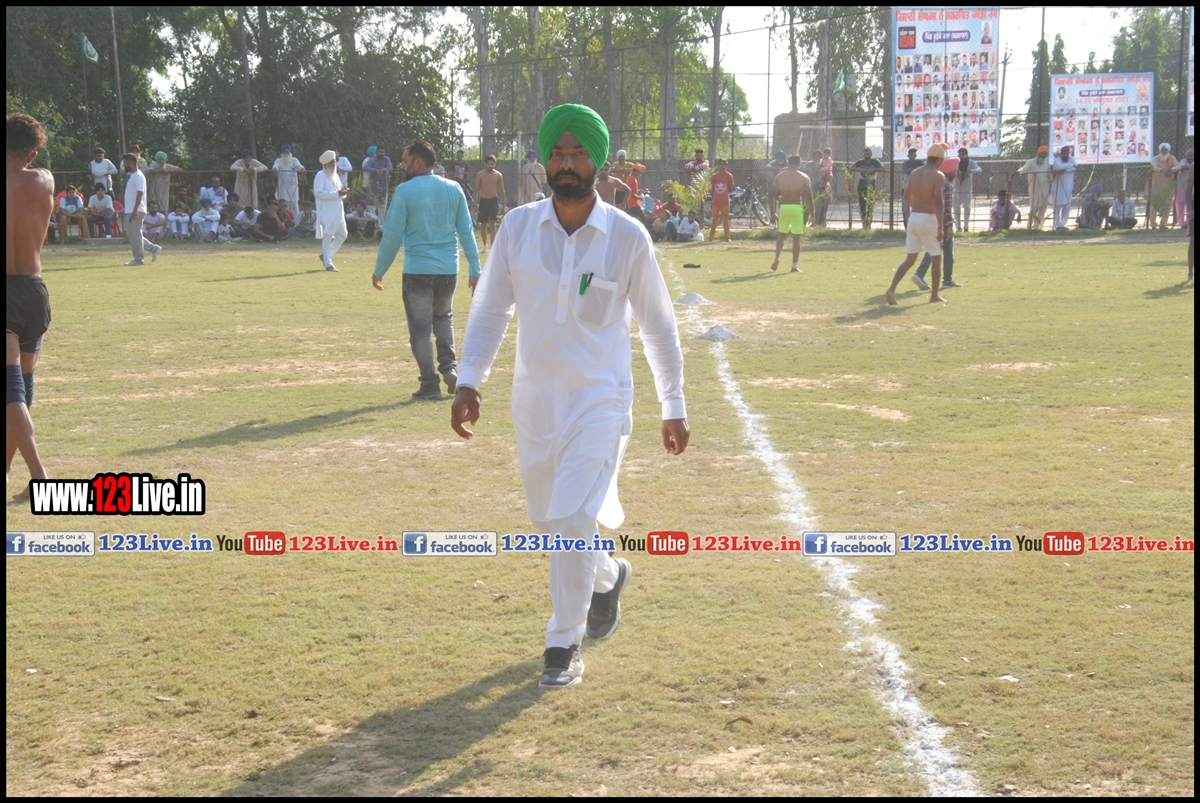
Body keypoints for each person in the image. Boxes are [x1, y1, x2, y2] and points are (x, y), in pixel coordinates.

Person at [451, 104, 688, 690]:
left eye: (578, 153)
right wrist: (469, 379)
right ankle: (607, 575)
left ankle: (563, 644)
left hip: (600, 401)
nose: (566, 163)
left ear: (597, 162)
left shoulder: (627, 238)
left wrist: (673, 403)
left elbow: (658, 326)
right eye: (557, 153)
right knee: (554, 523)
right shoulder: (517, 228)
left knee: (571, 518)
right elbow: (491, 308)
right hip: (535, 403)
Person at [373, 140, 482, 401]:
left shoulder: (405, 191)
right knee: (444, 318)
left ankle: (430, 384)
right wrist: (475, 268)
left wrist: (380, 269)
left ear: (418, 162)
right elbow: (466, 231)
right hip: (448, 269)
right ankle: (450, 368)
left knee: (420, 327)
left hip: (418, 270)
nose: (402, 166)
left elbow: (392, 235)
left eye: (405, 161)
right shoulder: (454, 188)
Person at [6, 112, 55, 501]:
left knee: (10, 391)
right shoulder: (44, 180)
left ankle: (40, 478)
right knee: (23, 386)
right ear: (32, 153)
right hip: (36, 290)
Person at [885, 142, 947, 305]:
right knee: (936, 258)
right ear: (940, 160)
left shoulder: (915, 173)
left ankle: (892, 289)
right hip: (928, 219)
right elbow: (938, 202)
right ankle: (934, 295)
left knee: (910, 259)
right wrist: (940, 226)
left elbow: (907, 196)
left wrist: (917, 209)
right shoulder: (938, 176)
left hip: (914, 218)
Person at [913, 154, 960, 290]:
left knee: (934, 247)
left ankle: (920, 273)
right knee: (947, 251)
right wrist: (949, 224)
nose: (956, 173)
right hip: (943, 221)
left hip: (930, 219)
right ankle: (947, 280)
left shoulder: (934, 182)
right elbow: (946, 206)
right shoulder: (948, 185)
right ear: (951, 171)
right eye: (955, 170)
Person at [767, 154, 815, 273]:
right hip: (796, 207)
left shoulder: (780, 176)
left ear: (788, 164)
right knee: (796, 238)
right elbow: (809, 198)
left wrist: (772, 213)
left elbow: (771, 195)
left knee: (781, 235)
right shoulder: (804, 177)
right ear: (800, 165)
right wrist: (812, 215)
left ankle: (777, 257)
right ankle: (794, 266)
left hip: (784, 207)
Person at [122, 153, 161, 265]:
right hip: (131, 209)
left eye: (125, 163)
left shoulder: (138, 176)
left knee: (135, 234)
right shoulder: (133, 176)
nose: (124, 165)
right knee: (133, 234)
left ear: (131, 163)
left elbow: (140, 193)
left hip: (136, 210)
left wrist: (135, 210)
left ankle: (139, 259)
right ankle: (153, 248)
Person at [314, 150, 349, 271]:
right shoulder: (320, 175)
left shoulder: (335, 176)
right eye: (332, 162)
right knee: (328, 235)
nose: (334, 164)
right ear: (326, 163)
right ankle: (328, 264)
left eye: (334, 162)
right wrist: (336, 194)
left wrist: (343, 192)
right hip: (327, 211)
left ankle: (326, 255)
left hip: (338, 211)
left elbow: (339, 193)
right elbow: (318, 193)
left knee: (343, 234)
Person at [473, 154, 505, 249]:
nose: (490, 166)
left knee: (493, 223)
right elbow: (476, 191)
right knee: (483, 224)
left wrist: (504, 206)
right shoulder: (480, 175)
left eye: (492, 164)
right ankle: (484, 245)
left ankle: (493, 247)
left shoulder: (498, 175)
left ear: (495, 164)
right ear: (485, 164)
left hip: (493, 200)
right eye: (488, 164)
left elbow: (502, 191)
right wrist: (475, 206)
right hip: (483, 201)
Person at [1018, 145, 1052, 229]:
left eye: (1044, 153)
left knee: (1043, 207)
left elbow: (1050, 176)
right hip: (1034, 188)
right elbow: (1024, 169)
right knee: (1033, 208)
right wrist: (1019, 171)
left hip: (1044, 188)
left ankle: (1038, 227)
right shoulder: (1031, 162)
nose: (1043, 155)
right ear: (1038, 153)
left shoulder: (1047, 164)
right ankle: (1029, 226)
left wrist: (1056, 175)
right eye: (1041, 153)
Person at [850, 147, 884, 228]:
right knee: (862, 205)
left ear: (871, 154)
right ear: (863, 154)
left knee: (870, 205)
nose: (867, 155)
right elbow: (851, 167)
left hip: (871, 186)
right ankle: (864, 222)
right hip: (861, 185)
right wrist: (860, 170)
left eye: (868, 154)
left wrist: (873, 170)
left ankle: (869, 223)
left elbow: (883, 169)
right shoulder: (860, 161)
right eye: (865, 154)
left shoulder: (875, 161)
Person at [1148, 142, 1179, 230]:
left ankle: (1163, 224)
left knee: (1167, 203)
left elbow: (1178, 166)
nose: (1164, 151)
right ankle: (1153, 224)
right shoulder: (1155, 158)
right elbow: (1153, 166)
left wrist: (1171, 170)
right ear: (1160, 150)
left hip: (1168, 185)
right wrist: (1161, 170)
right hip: (1156, 184)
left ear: (1168, 150)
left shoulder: (1171, 158)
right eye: (1162, 149)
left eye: (1165, 150)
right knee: (1154, 204)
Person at [952, 147, 982, 231]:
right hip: (956, 187)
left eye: (963, 154)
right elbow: (949, 170)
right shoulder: (956, 162)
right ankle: (958, 227)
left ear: (966, 155)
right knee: (956, 207)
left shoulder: (971, 162)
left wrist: (970, 171)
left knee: (966, 207)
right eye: (960, 155)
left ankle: (966, 227)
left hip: (966, 188)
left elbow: (979, 169)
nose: (961, 156)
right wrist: (956, 172)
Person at [272, 144, 305, 215]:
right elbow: (275, 167)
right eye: (285, 152)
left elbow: (299, 166)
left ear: (290, 153)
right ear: (282, 153)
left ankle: (296, 221)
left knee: (294, 208)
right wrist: (275, 170)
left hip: (293, 189)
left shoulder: (294, 160)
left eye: (288, 152)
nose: (286, 154)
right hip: (283, 189)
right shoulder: (278, 161)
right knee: (283, 207)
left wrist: (302, 169)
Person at [1050, 145, 1077, 230]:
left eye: (1066, 153)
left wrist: (1065, 169)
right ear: (1061, 154)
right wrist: (1069, 167)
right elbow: (1059, 167)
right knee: (1057, 206)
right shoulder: (1057, 161)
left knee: (1067, 206)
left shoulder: (1071, 159)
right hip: (1058, 187)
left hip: (1068, 187)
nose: (1065, 155)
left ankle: (1062, 224)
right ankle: (1056, 225)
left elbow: (1076, 166)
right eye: (1063, 154)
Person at [362, 145, 393, 217]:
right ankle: (372, 222)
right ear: (376, 152)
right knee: (371, 206)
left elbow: (390, 168)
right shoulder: (372, 160)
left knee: (382, 206)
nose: (381, 153)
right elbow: (365, 168)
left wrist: (383, 170)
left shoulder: (386, 159)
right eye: (380, 152)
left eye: (383, 152)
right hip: (372, 186)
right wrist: (375, 170)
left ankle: (381, 223)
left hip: (383, 186)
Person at [708, 158, 734, 242]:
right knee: (714, 220)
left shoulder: (729, 176)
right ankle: (711, 237)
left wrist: (724, 194)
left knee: (726, 220)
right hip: (715, 201)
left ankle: (728, 237)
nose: (722, 166)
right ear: (718, 165)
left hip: (725, 201)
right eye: (721, 164)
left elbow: (730, 188)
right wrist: (713, 199)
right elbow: (713, 188)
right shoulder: (715, 176)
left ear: (726, 166)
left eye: (724, 164)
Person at [899, 147, 921, 227]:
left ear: (915, 156)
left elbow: (923, 169)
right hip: (906, 188)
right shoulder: (905, 164)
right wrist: (917, 170)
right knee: (906, 209)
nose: (912, 157)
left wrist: (914, 170)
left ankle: (916, 226)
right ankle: (907, 226)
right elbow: (907, 171)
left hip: (917, 188)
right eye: (910, 155)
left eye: (913, 155)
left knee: (917, 208)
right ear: (908, 156)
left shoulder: (919, 162)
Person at [1174, 148, 1193, 230]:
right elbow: (1182, 167)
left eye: (1192, 156)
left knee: (1191, 204)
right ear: (1186, 156)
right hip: (1182, 186)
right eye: (1189, 155)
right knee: (1180, 203)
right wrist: (1190, 167)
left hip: (1192, 186)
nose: (1191, 157)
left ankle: (1189, 222)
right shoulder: (1183, 161)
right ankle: (1182, 223)